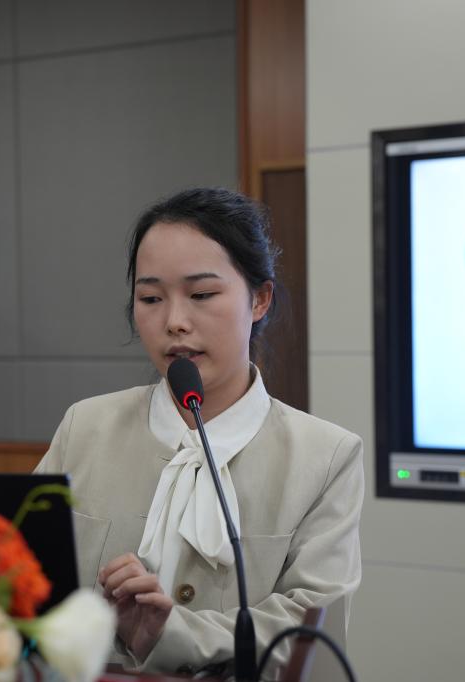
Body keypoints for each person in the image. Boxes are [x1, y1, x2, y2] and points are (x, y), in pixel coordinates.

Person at [34, 187, 363, 676]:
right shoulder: (85, 427)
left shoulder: (326, 456)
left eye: (202, 295)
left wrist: (169, 634)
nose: (174, 322)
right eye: (150, 298)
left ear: (260, 299)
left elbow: (307, 636)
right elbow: (18, 579)